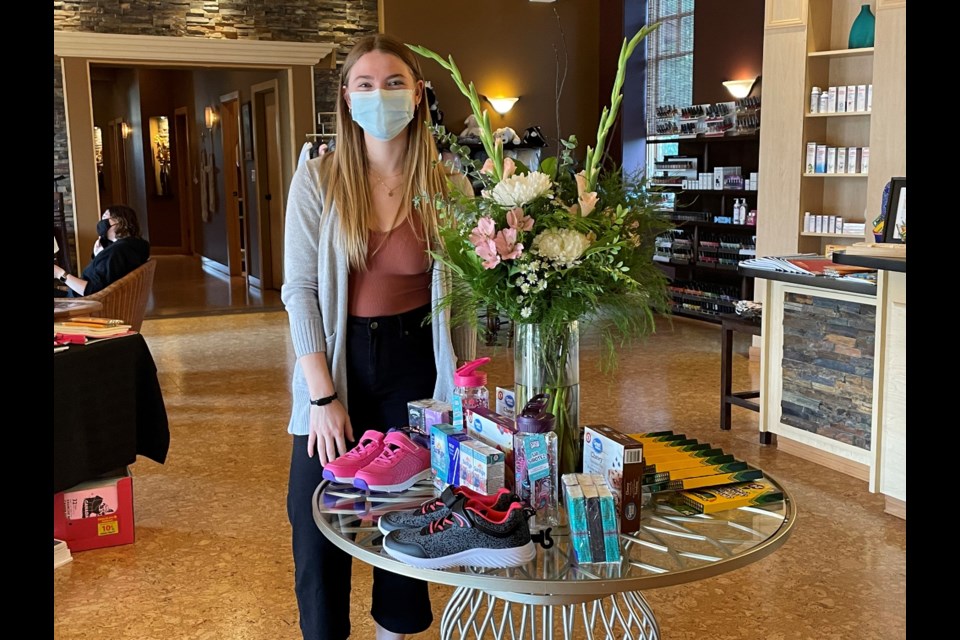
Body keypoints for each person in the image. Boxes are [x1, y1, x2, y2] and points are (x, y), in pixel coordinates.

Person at [281, 34, 470, 640]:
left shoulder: (450, 188)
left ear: (418, 96)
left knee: (407, 528)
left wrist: (458, 392)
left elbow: (463, 302)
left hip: (417, 370)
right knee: (317, 528)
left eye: (394, 83)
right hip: (336, 368)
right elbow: (300, 290)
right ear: (346, 97)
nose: (379, 95)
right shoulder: (317, 180)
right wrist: (321, 397)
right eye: (365, 84)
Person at [53, 205, 150, 297]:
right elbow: (103, 276)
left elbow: (90, 290)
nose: (101, 222)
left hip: (83, 303)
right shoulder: (133, 246)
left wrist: (60, 274)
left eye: (105, 218)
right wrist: (98, 255)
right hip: (84, 297)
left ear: (120, 221)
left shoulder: (117, 251)